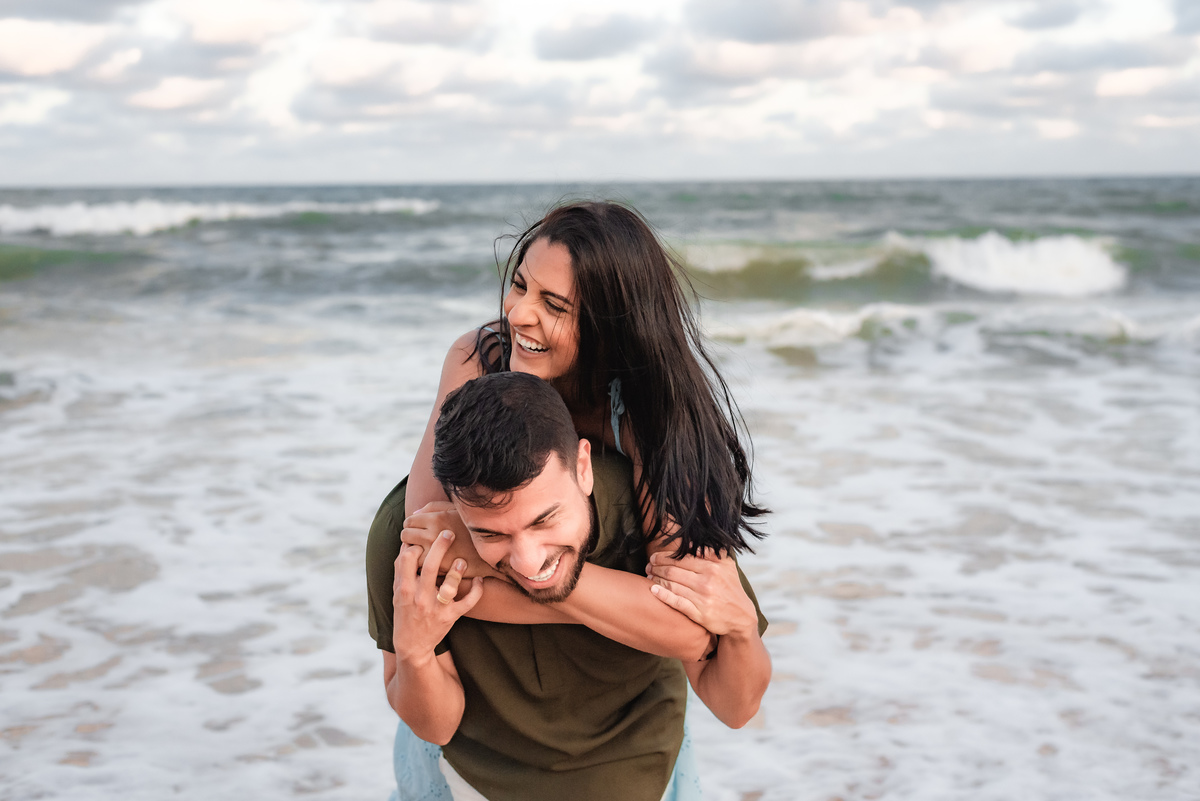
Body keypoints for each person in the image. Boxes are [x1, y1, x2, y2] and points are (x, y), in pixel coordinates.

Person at [365, 200, 772, 797]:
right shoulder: (481, 355)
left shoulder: (652, 419)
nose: (518, 313)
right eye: (520, 285)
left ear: (612, 326)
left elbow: (690, 634)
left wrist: (544, 581)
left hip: (634, 754)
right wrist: (620, 601)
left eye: (554, 306)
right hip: (470, 758)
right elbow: (436, 549)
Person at [378, 372, 768, 801]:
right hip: (470, 782)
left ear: (583, 468)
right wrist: (415, 653)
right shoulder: (408, 540)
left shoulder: (656, 513)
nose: (528, 561)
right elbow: (437, 726)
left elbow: (736, 708)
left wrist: (742, 628)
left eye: (544, 520)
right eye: (489, 534)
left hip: (643, 771)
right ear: (453, 504)